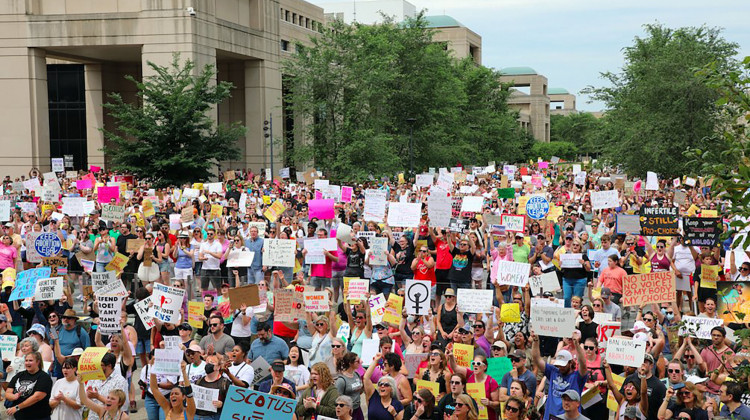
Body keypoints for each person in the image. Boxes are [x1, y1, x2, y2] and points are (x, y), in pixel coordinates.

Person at [531, 332, 588, 420]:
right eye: (559, 364)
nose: (560, 367)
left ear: (570, 363)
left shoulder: (577, 377)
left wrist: (576, 344)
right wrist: (535, 340)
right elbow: (537, 359)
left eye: (563, 365)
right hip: (550, 416)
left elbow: (583, 364)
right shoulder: (553, 371)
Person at [5, 351, 53, 419]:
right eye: (26, 360)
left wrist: (17, 407)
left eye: (30, 360)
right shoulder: (19, 375)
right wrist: (13, 397)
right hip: (20, 416)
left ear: (38, 362)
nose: (27, 363)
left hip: (38, 416)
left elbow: (37, 397)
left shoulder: (44, 377)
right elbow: (7, 393)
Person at [85, 352, 130, 420]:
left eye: (101, 365)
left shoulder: (120, 381)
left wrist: (97, 396)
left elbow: (121, 404)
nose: (98, 367)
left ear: (109, 366)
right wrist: (88, 394)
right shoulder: (94, 377)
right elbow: (84, 399)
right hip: (92, 417)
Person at [195, 354, 231, 420]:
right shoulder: (199, 381)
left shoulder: (225, 383)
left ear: (218, 367)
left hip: (215, 416)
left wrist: (221, 404)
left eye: (211, 362)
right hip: (197, 416)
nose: (208, 365)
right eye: (207, 362)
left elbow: (230, 404)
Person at [335, 352, 364, 420]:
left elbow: (360, 390)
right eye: (357, 361)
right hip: (348, 411)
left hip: (357, 408)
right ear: (350, 363)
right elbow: (338, 398)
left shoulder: (357, 374)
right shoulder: (341, 380)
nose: (360, 362)